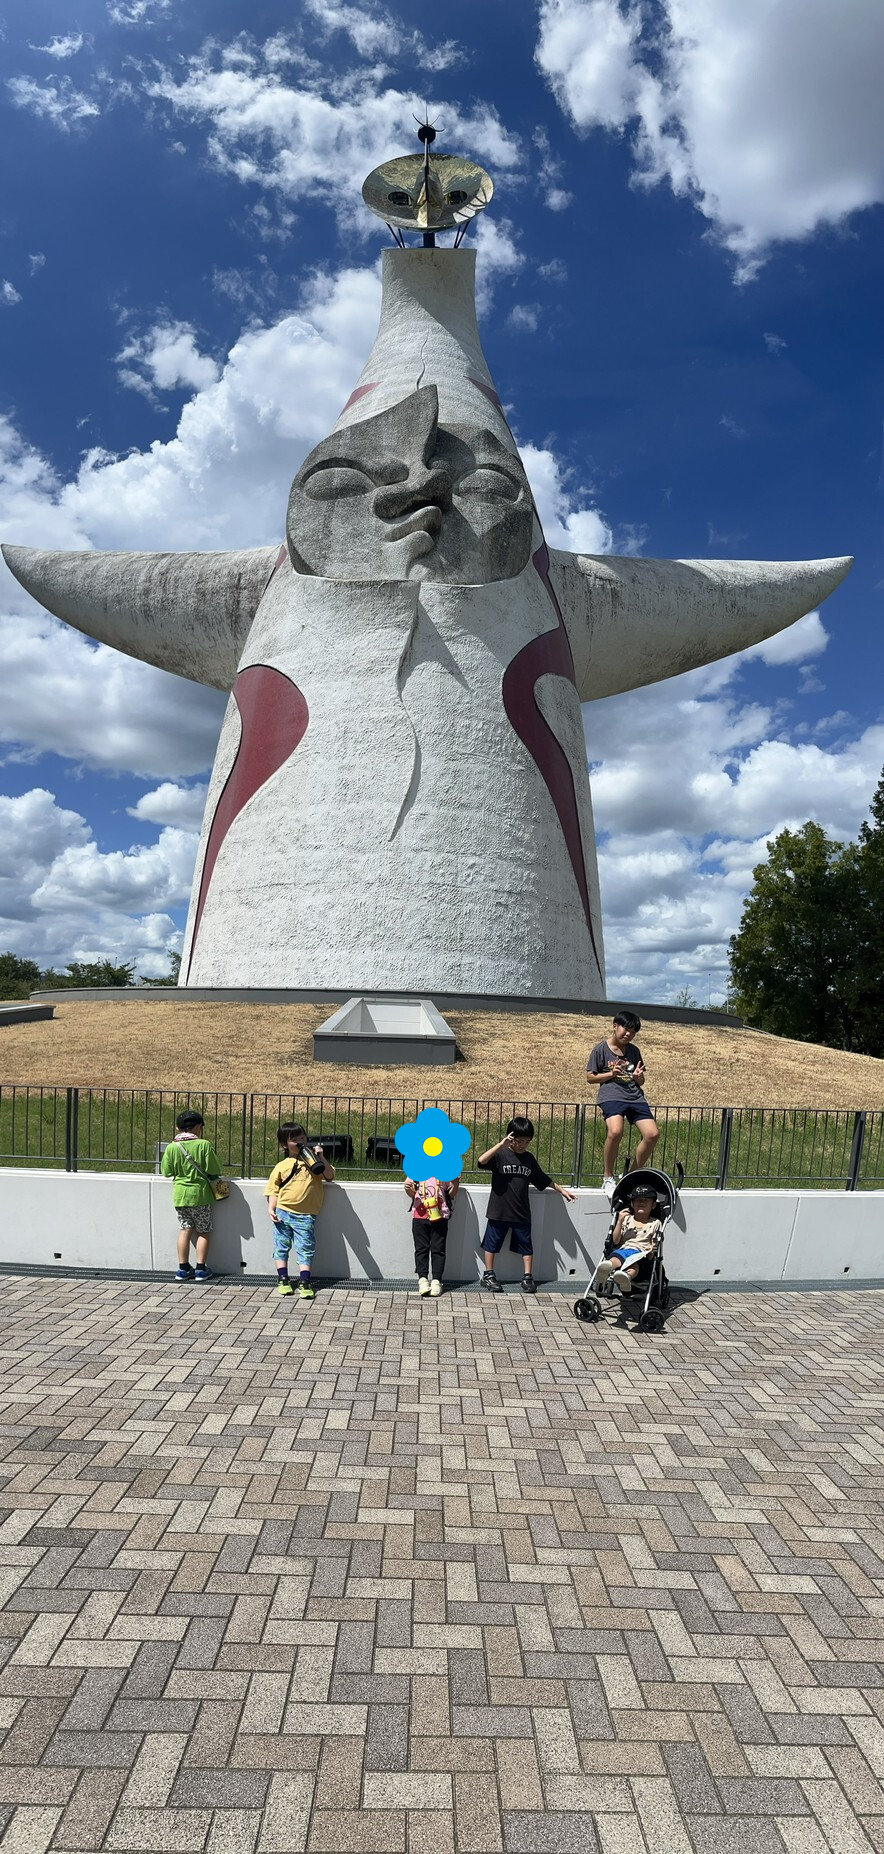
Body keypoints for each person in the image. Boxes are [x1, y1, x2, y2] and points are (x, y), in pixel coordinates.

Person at [477, 1116, 576, 1294]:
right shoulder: (500, 1155)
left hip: (521, 1212)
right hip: (499, 1210)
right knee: (492, 1244)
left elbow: (543, 1179)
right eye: (519, 1141)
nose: (522, 1145)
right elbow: (481, 1161)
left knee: (526, 1245)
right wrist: (501, 1145)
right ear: (511, 1137)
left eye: (526, 1142)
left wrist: (562, 1191)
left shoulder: (529, 1159)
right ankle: (488, 1275)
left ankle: (528, 1277)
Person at [586, 1011, 660, 1197]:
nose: (628, 1034)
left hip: (635, 1097)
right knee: (615, 1131)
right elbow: (590, 1077)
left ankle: (631, 1175)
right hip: (611, 1096)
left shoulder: (634, 1051)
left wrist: (638, 1077)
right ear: (615, 1026)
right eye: (626, 1028)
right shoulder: (600, 1049)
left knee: (652, 1134)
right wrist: (611, 1074)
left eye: (633, 1031)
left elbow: (640, 1081)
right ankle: (608, 1177)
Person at [265, 1123, 335, 1300]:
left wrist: (320, 1157)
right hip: (284, 1211)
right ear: (284, 1145)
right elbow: (273, 1189)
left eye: (302, 1138)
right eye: (294, 1140)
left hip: (306, 1214)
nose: (300, 1142)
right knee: (282, 1246)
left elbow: (329, 1176)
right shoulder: (282, 1165)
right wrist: (271, 1208)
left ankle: (305, 1281)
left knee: (306, 1247)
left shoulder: (313, 1164)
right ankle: (283, 1278)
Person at [161, 1109, 224, 1283]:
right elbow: (214, 1169)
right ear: (198, 1127)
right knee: (203, 1231)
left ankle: (182, 1268)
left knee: (185, 1229)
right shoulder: (203, 1145)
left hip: (181, 1195)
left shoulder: (172, 1147)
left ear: (178, 1127)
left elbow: (166, 1172)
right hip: (200, 1195)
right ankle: (201, 1269)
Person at [596, 1183, 663, 1293]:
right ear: (632, 1204)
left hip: (641, 1253)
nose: (641, 1202)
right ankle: (606, 1269)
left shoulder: (655, 1223)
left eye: (646, 1200)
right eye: (637, 1200)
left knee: (633, 1266)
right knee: (615, 1258)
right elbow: (616, 1240)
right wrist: (619, 1221)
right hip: (624, 1249)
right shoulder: (627, 1219)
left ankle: (624, 1277)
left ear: (653, 1205)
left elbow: (654, 1243)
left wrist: (652, 1250)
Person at [405, 1175, 459, 1296]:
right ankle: (422, 1279)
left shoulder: (445, 1171)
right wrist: (407, 1188)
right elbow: (412, 1192)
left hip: (440, 1215)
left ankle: (437, 1280)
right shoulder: (416, 1170)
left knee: (438, 1249)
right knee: (421, 1249)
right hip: (419, 1216)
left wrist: (455, 1183)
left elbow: (451, 1193)